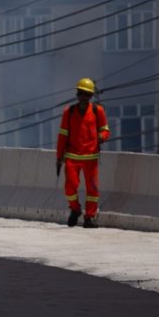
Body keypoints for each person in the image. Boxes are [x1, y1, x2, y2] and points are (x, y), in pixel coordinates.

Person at [56, 77, 110, 228]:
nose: (83, 97)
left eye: (87, 94)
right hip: (72, 157)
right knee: (70, 187)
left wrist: (101, 136)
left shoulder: (97, 111)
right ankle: (75, 209)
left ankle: (90, 217)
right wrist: (59, 157)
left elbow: (105, 130)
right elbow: (62, 135)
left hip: (91, 157)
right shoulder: (69, 111)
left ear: (91, 96)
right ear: (77, 94)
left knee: (92, 188)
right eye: (81, 93)